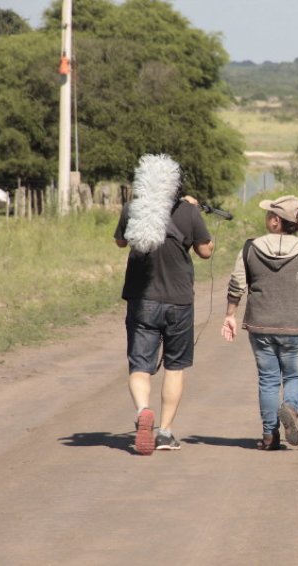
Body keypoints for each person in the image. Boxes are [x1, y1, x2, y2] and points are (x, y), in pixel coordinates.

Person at [114, 154, 214, 455]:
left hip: (142, 299)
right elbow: (206, 251)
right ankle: (166, 432)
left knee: (140, 365)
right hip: (178, 301)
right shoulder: (188, 211)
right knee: (174, 366)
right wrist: (195, 213)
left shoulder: (132, 208)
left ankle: (143, 410)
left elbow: (121, 242)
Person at [222, 195, 298, 450]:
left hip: (261, 325)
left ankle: (269, 436)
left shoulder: (250, 248)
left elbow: (236, 285)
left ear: (275, 221)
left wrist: (230, 314)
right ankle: (291, 409)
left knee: (268, 379)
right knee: (296, 375)